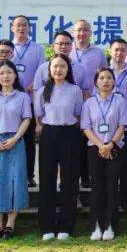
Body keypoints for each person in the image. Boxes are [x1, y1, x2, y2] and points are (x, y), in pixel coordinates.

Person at [34, 55, 84, 240]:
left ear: (68, 69)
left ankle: (66, 225)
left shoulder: (75, 90)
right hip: (49, 134)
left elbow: (78, 114)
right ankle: (46, 226)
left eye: (62, 66)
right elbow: (39, 116)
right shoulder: (42, 91)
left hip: (69, 135)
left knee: (69, 180)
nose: (58, 70)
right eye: (55, 66)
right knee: (47, 179)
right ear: (49, 69)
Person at [0, 59, 33, 239]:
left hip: (15, 141)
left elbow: (27, 119)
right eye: (2, 73)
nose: (6, 76)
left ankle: (10, 223)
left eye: (9, 72)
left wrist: (15, 138)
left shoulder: (22, 96)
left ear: (15, 75)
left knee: (15, 180)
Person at [81, 68, 127, 241]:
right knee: (97, 188)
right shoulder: (89, 103)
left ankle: (110, 224)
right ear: (96, 82)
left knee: (111, 187)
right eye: (101, 78)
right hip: (95, 149)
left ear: (114, 81)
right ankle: (96, 224)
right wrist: (100, 145)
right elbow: (86, 127)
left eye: (109, 78)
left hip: (114, 148)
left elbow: (123, 125)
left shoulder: (120, 101)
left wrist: (110, 144)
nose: (105, 81)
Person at [10, 15, 45, 88]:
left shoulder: (38, 48)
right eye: (18, 25)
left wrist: (33, 85)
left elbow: (42, 71)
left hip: (31, 91)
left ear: (29, 28)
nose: (21, 28)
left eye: (24, 25)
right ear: (12, 28)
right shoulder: (8, 47)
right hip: (10, 90)